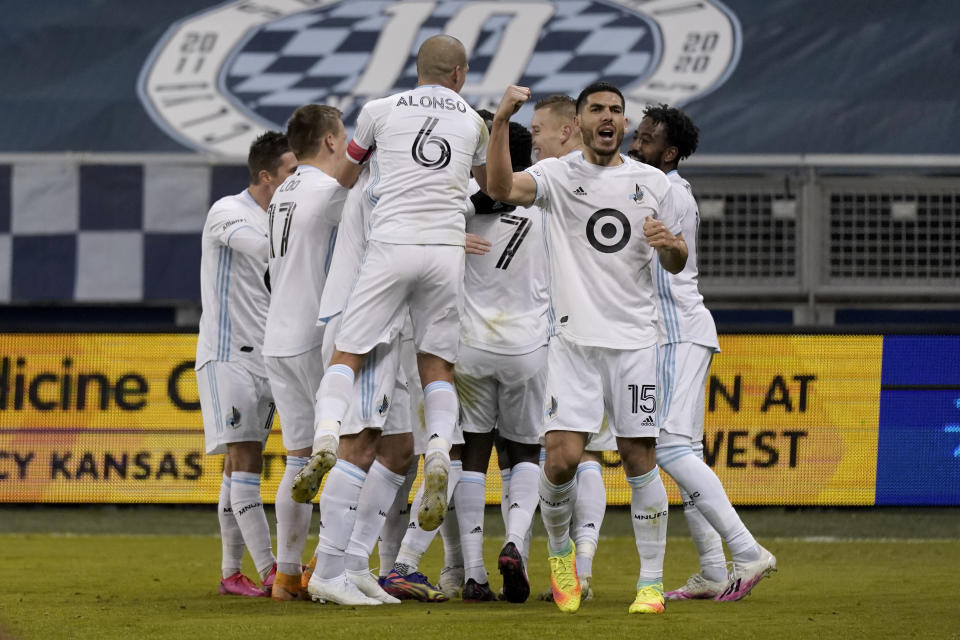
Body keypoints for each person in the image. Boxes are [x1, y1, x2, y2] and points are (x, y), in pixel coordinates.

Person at [486, 81, 688, 615]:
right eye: (596, 109)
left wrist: (671, 247)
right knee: (562, 461)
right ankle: (559, 555)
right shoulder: (557, 175)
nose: (608, 117)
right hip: (573, 343)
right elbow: (502, 188)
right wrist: (504, 120)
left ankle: (651, 584)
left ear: (624, 124)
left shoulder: (652, 182)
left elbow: (678, 259)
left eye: (616, 111)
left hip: (635, 345)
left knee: (640, 458)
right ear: (577, 124)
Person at [294, 35, 489, 541]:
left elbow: (345, 174)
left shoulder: (379, 111)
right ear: (459, 74)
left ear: (417, 68)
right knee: (438, 367)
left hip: (391, 246)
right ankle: (442, 453)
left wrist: (359, 162)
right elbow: (484, 187)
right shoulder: (473, 120)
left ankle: (323, 440)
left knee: (347, 355)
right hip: (445, 249)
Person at [629, 104, 777, 602]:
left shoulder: (663, 189)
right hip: (679, 332)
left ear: (669, 153)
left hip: (675, 332)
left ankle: (746, 550)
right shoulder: (664, 186)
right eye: (638, 134)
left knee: (669, 448)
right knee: (685, 452)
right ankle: (714, 569)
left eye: (646, 139)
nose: (635, 143)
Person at [195, 131, 297, 597]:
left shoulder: (283, 216)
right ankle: (272, 569)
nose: (298, 182)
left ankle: (231, 574)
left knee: (238, 468)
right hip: (227, 356)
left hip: (268, 357)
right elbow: (264, 252)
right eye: (292, 174)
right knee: (245, 461)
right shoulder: (228, 212)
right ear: (265, 177)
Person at [449, 116, 545, 603]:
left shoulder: (461, 207)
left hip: (470, 345)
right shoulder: (549, 211)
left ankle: (473, 574)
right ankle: (515, 542)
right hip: (527, 346)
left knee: (473, 453)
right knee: (525, 452)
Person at [261, 105, 348, 601]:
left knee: (298, 459)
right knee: (349, 451)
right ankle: (333, 566)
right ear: (331, 142)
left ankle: (287, 575)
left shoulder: (283, 192)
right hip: (316, 336)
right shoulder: (328, 192)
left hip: (278, 337)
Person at [529, 94, 610, 603]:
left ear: (565, 132)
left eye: (537, 128)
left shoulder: (550, 182)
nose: (531, 137)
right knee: (584, 454)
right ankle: (577, 564)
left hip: (562, 337)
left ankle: (572, 564)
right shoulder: (584, 180)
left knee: (564, 455)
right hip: (590, 335)